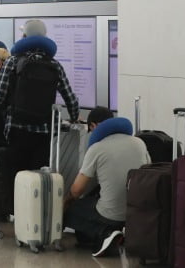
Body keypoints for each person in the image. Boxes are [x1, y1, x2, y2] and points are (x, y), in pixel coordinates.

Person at [0, 19, 79, 172]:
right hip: (44, 133)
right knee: (38, 177)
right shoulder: (55, 65)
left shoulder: (13, 62)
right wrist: (74, 117)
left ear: (25, 36)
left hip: (17, 130)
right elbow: (71, 99)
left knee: (17, 176)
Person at [64, 107, 151, 257]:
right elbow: (148, 172)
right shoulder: (139, 143)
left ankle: (105, 233)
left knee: (73, 209)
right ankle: (117, 233)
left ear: (93, 126)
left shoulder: (97, 148)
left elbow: (77, 190)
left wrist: (65, 202)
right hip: (135, 213)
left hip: (111, 215)